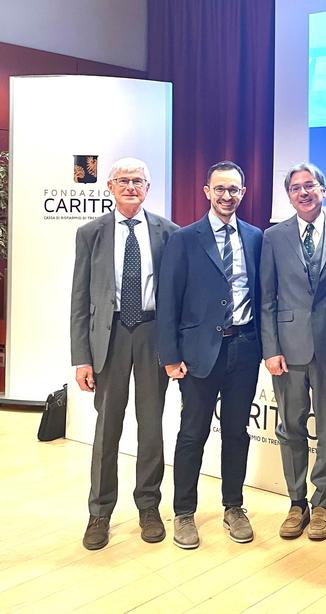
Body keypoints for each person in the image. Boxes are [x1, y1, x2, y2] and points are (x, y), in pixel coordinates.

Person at [71, 157, 178, 550]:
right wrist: (81, 357)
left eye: (138, 181)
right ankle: (99, 511)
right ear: (110, 187)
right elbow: (79, 298)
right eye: (123, 180)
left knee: (151, 425)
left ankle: (148, 506)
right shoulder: (91, 233)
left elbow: (176, 296)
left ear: (147, 188)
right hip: (110, 335)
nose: (131, 186)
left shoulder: (169, 232)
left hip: (152, 332)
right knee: (107, 427)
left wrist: (175, 347)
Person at [157, 160, 262, 549]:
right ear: (206, 192)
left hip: (244, 348)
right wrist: (170, 355)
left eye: (234, 189)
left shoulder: (255, 237)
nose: (227, 196)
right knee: (192, 433)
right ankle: (184, 512)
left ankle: (233, 506)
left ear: (243, 193)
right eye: (220, 188)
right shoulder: (184, 239)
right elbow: (168, 300)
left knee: (236, 433)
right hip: (198, 353)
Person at [260, 163, 326, 541]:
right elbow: (267, 297)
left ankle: (322, 503)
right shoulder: (273, 236)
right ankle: (297, 503)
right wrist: (270, 348)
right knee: (290, 428)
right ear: (289, 195)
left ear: (323, 190)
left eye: (309, 185)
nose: (303, 192)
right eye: (295, 188)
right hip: (288, 348)